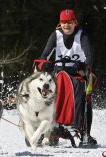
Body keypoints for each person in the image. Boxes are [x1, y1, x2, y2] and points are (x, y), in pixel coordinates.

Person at [40, 9, 97, 145]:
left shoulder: (82, 35)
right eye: (64, 22)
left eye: (69, 22)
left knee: (85, 99)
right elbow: (44, 55)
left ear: (75, 22)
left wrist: (85, 68)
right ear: (60, 23)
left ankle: (85, 132)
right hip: (59, 73)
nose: (66, 25)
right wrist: (45, 65)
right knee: (47, 93)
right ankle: (48, 130)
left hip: (78, 74)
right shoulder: (55, 35)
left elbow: (89, 57)